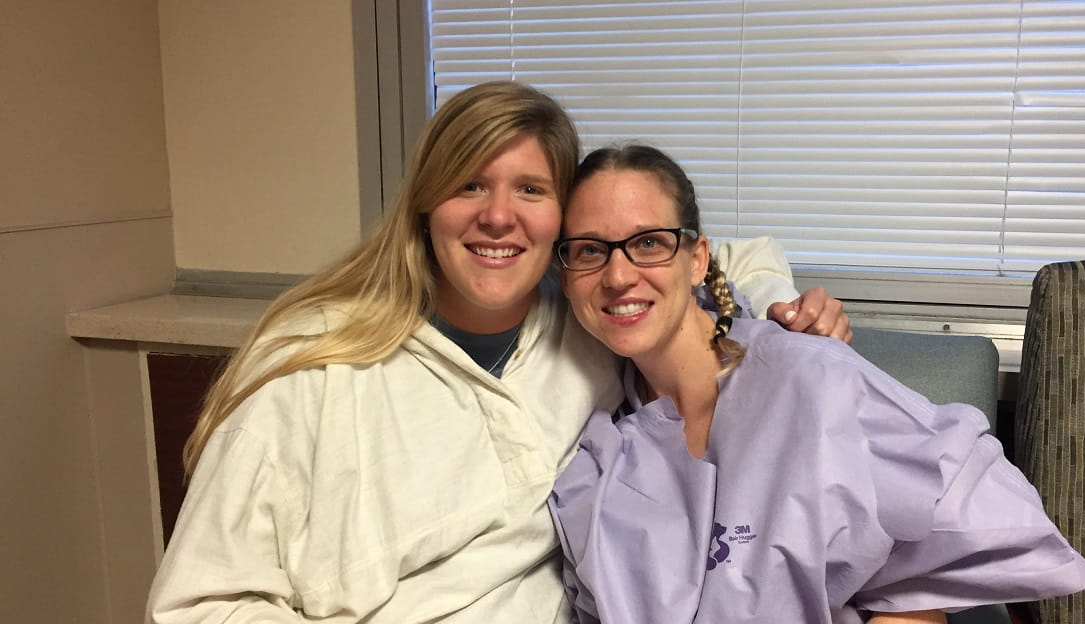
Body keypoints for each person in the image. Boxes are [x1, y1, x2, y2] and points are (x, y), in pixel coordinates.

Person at [145, 82, 851, 623]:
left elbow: (717, 255)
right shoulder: (310, 366)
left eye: (530, 190)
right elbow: (195, 607)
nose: (497, 216)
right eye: (469, 185)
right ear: (426, 205)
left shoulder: (587, 323)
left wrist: (788, 310)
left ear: (562, 223)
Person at [548, 144, 1085, 624]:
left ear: (697, 260)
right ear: (565, 277)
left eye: (648, 242)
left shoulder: (808, 378)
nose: (618, 275)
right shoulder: (594, 460)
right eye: (589, 250)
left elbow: (961, 525)